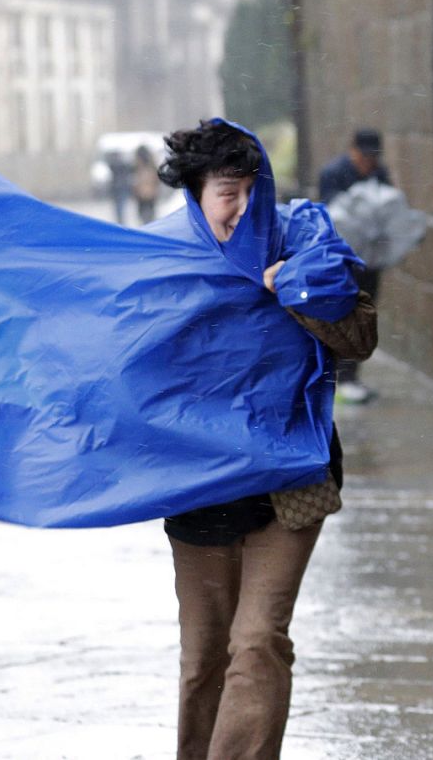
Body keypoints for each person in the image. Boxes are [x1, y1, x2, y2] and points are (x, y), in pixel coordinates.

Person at [157, 119, 377, 760]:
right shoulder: (164, 262)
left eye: (253, 191)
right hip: (200, 486)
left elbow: (360, 339)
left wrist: (299, 291)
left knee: (258, 641)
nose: (243, 208)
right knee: (204, 657)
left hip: (291, 482)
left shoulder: (301, 241)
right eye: (227, 193)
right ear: (196, 194)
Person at [317, 128, 391, 404]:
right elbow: (331, 212)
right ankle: (339, 378)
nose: (369, 163)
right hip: (341, 260)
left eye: (374, 158)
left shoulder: (379, 174)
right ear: (353, 152)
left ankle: (351, 377)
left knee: (363, 316)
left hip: (369, 261)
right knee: (341, 315)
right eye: (365, 157)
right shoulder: (333, 173)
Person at [132, 145, 161, 224]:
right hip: (148, 194)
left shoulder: (139, 166)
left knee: (145, 214)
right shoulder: (151, 165)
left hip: (145, 194)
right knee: (148, 214)